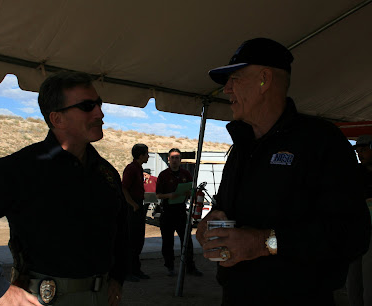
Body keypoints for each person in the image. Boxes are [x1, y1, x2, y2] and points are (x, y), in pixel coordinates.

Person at [196, 37, 371, 306]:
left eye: (235, 79)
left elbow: (351, 235)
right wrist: (208, 225)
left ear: (264, 79)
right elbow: (223, 209)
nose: (226, 90)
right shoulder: (241, 149)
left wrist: (265, 243)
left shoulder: (321, 142)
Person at [0, 71, 128, 306]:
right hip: (44, 298)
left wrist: (117, 277)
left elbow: (122, 228)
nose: (100, 113)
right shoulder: (21, 168)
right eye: (88, 106)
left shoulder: (105, 173)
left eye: (99, 104)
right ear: (57, 119)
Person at [156, 148, 203, 277]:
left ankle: (190, 266)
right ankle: (170, 266)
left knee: (187, 240)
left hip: (181, 210)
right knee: (168, 241)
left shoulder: (186, 174)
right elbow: (158, 195)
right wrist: (169, 196)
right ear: (168, 159)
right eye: (173, 157)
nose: (175, 160)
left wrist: (190, 193)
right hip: (167, 211)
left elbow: (192, 188)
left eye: (177, 157)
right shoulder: (163, 175)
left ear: (180, 160)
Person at [347, 135, 372, 306]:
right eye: (358, 150)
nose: (360, 154)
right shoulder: (355, 173)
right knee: (353, 284)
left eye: (363, 150)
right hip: (356, 230)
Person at [122, 144, 150, 282]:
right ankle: (128, 272)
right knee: (132, 241)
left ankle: (136, 269)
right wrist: (133, 204)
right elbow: (124, 188)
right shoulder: (131, 169)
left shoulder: (138, 169)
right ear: (141, 155)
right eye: (146, 154)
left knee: (139, 240)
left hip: (138, 206)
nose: (148, 156)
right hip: (133, 208)